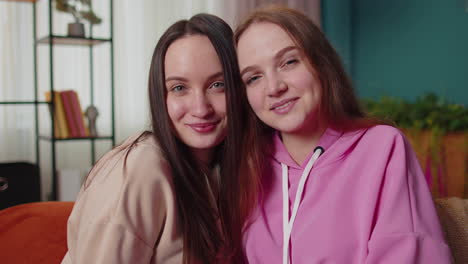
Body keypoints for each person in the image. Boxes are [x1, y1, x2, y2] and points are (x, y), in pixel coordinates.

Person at [234, 6, 452, 264]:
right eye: (253, 78)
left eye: (289, 62)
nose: (274, 87)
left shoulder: (382, 148)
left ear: (321, 64)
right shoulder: (245, 167)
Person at [61, 13, 253, 264]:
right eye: (179, 88)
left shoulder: (222, 167)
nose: (200, 108)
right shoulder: (140, 167)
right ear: (159, 96)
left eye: (218, 85)